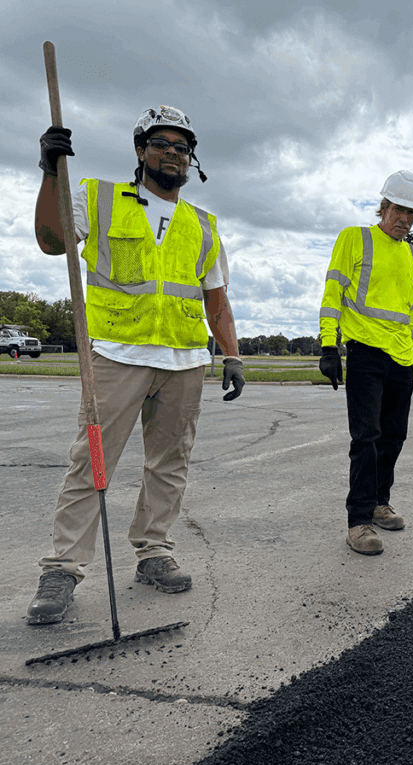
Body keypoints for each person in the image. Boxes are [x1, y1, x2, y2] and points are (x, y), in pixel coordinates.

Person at [28, 106, 244, 625]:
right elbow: (52, 240)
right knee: (92, 465)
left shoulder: (204, 225)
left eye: (181, 146)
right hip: (115, 354)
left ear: (191, 159)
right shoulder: (98, 198)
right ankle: (62, 568)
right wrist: (50, 170)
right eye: (161, 142)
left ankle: (154, 553)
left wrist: (231, 354)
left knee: (170, 465)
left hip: (185, 361)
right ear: (140, 150)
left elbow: (215, 299)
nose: (172, 152)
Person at [318, 170, 413, 556]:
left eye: (412, 213)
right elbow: (333, 291)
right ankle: (358, 521)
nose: (405, 219)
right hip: (366, 352)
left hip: (402, 357)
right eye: (399, 209)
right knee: (365, 438)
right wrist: (328, 345)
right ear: (383, 206)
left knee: (393, 437)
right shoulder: (355, 238)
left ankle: (380, 503)